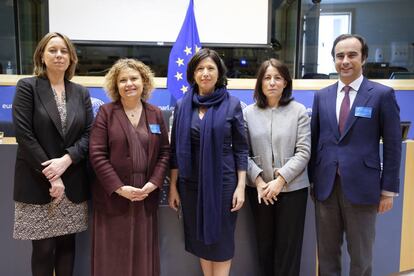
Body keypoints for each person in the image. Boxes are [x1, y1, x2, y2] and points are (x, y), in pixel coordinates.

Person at [309, 34, 401, 276]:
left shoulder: (382, 95)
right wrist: (312, 182)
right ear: (334, 61)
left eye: (352, 55)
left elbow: (393, 146)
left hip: (363, 187)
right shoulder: (322, 96)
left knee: (361, 256)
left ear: (364, 58)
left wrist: (388, 190)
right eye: (340, 56)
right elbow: (315, 140)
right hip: (326, 187)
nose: (345, 61)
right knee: (327, 254)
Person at [12, 32, 93, 276]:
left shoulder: (81, 92)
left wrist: (67, 160)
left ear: (71, 58)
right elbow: (24, 135)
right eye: (53, 50)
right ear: (42, 56)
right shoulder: (28, 87)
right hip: (38, 182)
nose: (59, 55)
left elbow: (89, 134)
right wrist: (52, 174)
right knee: (44, 249)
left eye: (64, 51)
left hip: (72, 182)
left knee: (68, 247)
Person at [168, 48, 248, 276]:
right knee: (200, 238)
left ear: (219, 73)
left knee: (221, 240)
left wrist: (241, 186)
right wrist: (173, 186)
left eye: (210, 68)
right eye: (200, 68)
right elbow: (175, 150)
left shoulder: (232, 104)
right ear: (193, 74)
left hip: (223, 184)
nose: (205, 73)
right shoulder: (183, 105)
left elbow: (242, 148)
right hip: (191, 184)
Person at [89, 58, 170, 276]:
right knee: (112, 254)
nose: (129, 84)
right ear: (115, 86)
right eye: (122, 80)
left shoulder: (155, 113)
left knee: (142, 254)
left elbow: (164, 152)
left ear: (144, 81)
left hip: (145, 195)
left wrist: (153, 184)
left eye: (134, 78)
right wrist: (119, 188)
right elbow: (97, 154)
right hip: (113, 196)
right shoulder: (106, 113)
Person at [243, 58, 311, 276]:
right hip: (260, 191)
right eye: (267, 78)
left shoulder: (298, 111)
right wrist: (261, 182)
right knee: (264, 247)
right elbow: (241, 153)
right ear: (260, 83)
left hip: (292, 190)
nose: (272, 82)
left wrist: (280, 180)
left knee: (288, 249)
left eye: (277, 78)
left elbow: (304, 151)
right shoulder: (248, 113)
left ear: (285, 83)